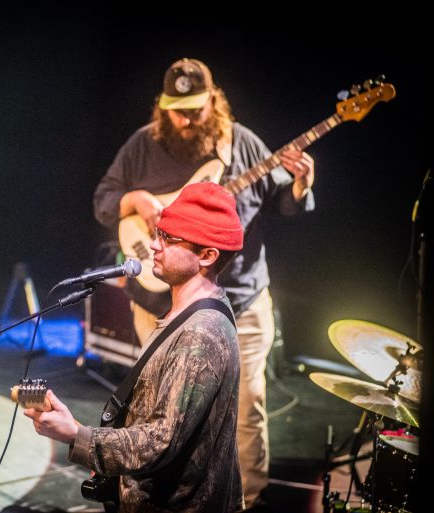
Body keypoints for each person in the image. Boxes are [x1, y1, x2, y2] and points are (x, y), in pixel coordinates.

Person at [93, 58, 315, 509]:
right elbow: (103, 200)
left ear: (213, 101)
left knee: (246, 408)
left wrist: (300, 186)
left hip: (240, 302)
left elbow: (282, 202)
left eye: (195, 108)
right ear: (163, 107)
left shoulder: (244, 144)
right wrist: (134, 198)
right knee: (159, 411)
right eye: (178, 109)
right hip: (161, 306)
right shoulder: (142, 145)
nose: (187, 118)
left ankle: (249, 500)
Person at [25, 181, 245, 513]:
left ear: (207, 255)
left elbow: (161, 441)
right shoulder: (184, 314)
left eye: (169, 239)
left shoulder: (202, 334)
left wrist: (77, 435)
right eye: (159, 233)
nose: (155, 245)